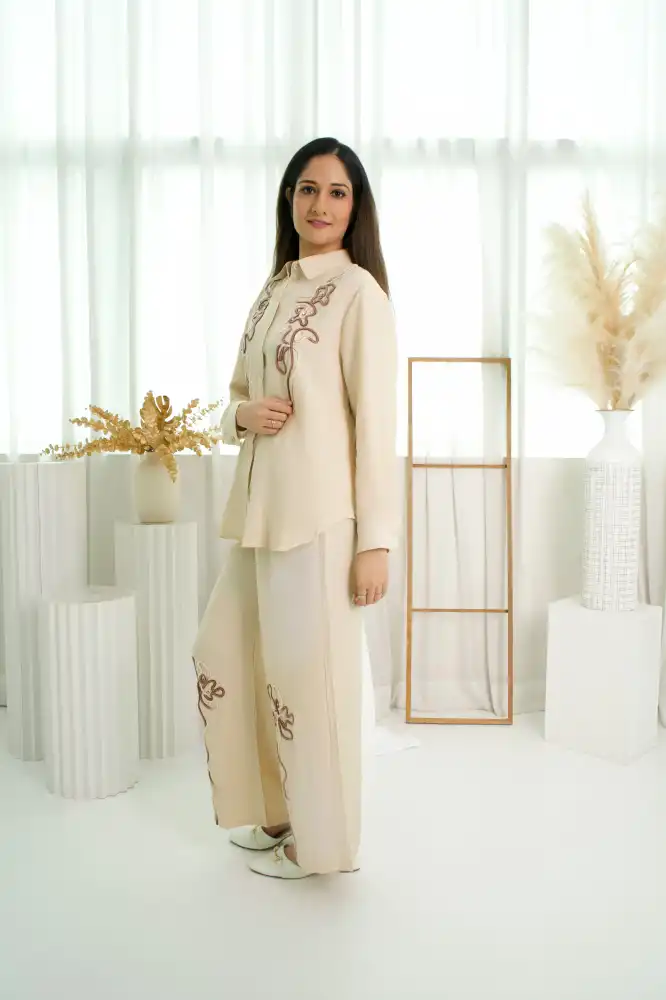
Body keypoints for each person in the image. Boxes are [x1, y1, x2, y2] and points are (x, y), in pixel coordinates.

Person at [192, 136, 398, 880]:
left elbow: (376, 426)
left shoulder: (358, 293)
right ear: (289, 198)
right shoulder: (274, 289)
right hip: (259, 512)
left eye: (338, 192)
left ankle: (322, 847)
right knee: (227, 655)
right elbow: (236, 400)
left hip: (319, 521)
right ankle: (278, 813)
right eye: (308, 189)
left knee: (313, 686)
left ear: (356, 206)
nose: (321, 204)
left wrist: (374, 542)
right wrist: (241, 419)